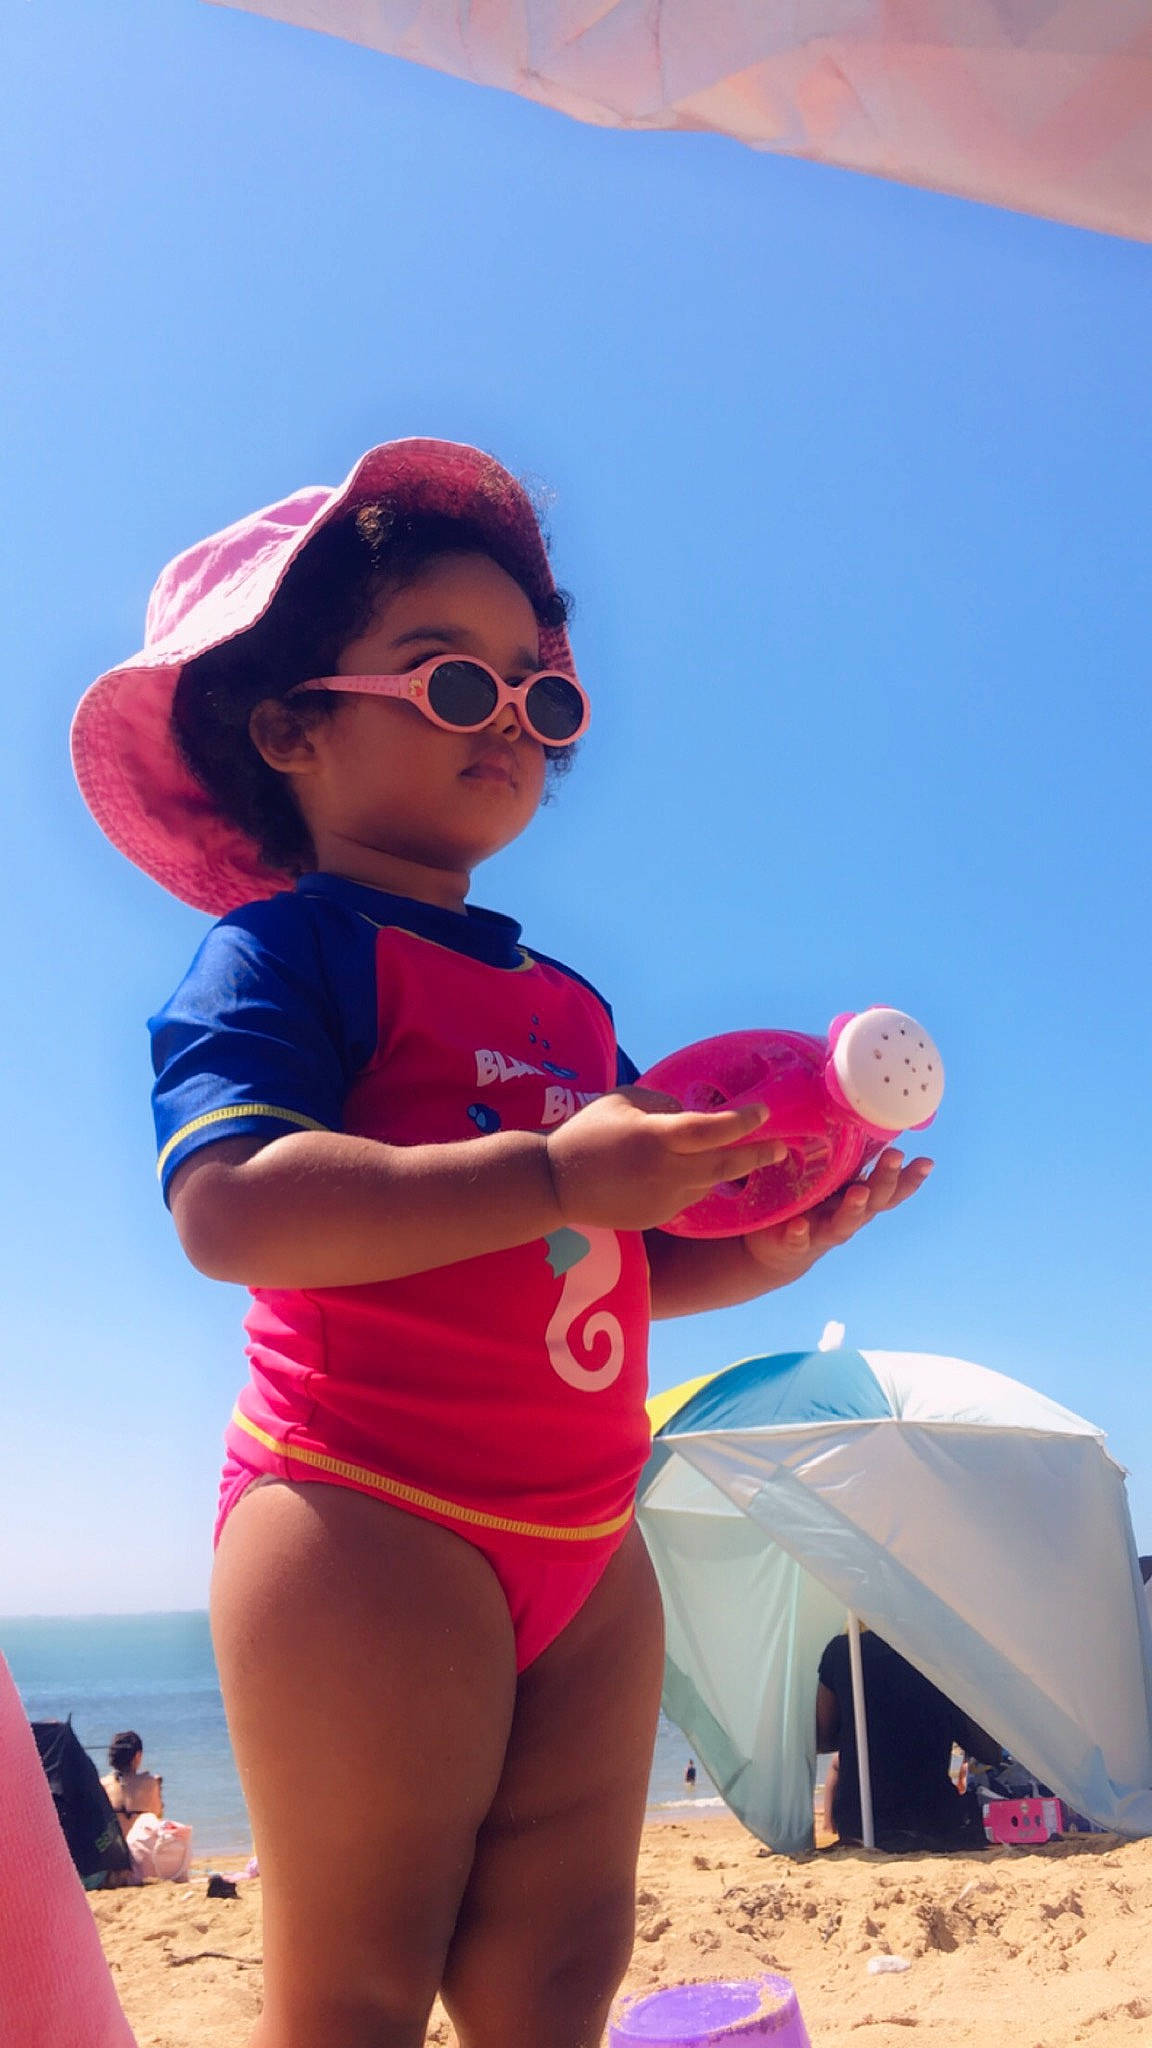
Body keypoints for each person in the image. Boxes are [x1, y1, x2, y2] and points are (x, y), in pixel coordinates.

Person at [72, 438, 932, 2048]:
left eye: (540, 698)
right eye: (451, 684)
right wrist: (551, 1174)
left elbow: (606, 1264)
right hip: (367, 1516)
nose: (514, 726)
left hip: (587, 1543)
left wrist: (772, 1252)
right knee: (358, 1992)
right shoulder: (278, 956)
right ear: (291, 726)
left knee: (556, 1980)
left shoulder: (568, 1001)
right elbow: (231, 1205)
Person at [816, 1628, 1000, 1852]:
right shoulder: (944, 1655)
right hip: (932, 1819)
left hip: (860, 1823)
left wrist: (863, 1726)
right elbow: (989, 1752)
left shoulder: (844, 1650)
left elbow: (822, 1739)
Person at [100, 1731, 163, 1840]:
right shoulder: (151, 1783)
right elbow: (157, 1818)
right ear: (137, 1756)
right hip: (140, 1848)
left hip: (113, 1849)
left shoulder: (102, 1785)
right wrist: (158, 1790)